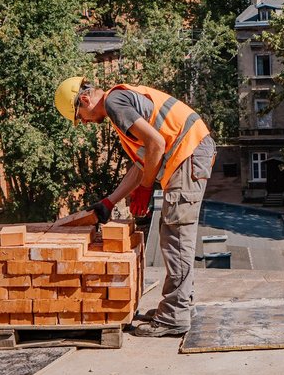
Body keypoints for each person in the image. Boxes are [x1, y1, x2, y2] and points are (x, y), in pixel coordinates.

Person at [54, 78, 215, 337]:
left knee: (176, 236)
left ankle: (174, 316)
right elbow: (143, 163)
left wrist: (146, 188)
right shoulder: (120, 104)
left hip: (189, 153)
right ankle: (179, 305)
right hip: (190, 152)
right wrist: (110, 202)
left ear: (84, 100)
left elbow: (156, 144)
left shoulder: (115, 103)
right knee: (173, 235)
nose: (83, 122)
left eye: (79, 117)